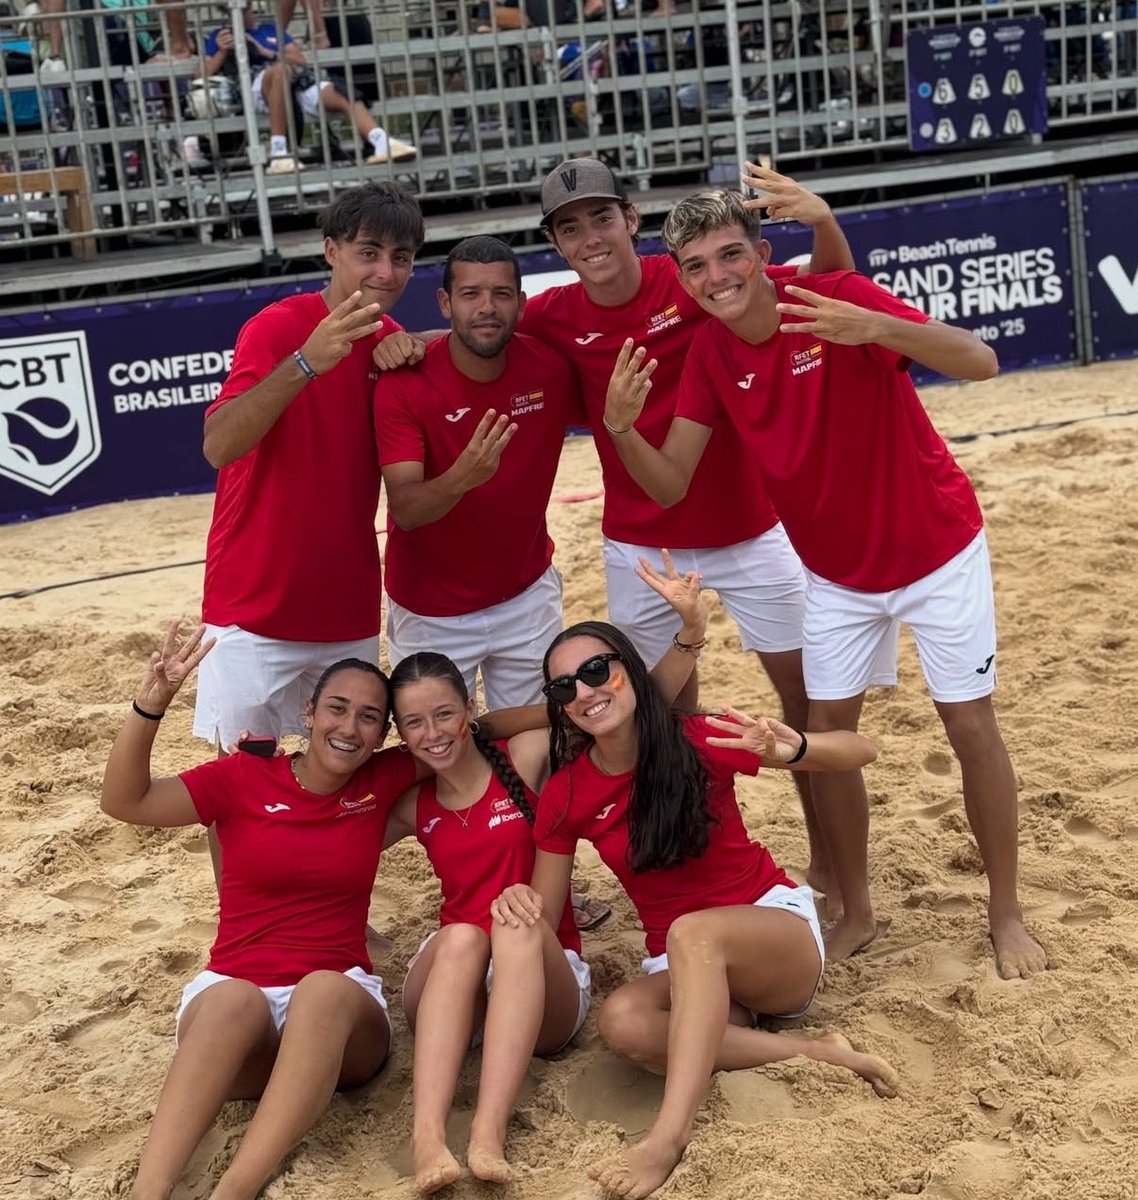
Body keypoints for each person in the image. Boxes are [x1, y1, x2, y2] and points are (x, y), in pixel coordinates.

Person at [600, 186, 1047, 980]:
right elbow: (668, 485)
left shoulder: (832, 300)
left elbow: (981, 362)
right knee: (819, 738)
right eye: (696, 266)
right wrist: (623, 426)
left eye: (731, 254)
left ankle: (1005, 912)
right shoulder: (709, 352)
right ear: (685, 277)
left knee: (969, 727)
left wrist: (875, 326)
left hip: (938, 550)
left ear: (762, 255)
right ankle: (857, 909)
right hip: (837, 575)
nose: (716, 276)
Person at [516, 156, 855, 901]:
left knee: (801, 706)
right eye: (570, 227)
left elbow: (819, 288)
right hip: (640, 542)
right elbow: (471, 334)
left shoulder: (695, 278)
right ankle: (705, 864)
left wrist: (825, 221)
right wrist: (392, 342)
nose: (590, 236)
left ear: (630, 221)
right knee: (666, 716)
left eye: (602, 217)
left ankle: (830, 863)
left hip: (750, 527)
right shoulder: (552, 317)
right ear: (557, 244)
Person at [492, 620, 897, 1200]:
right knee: (623, 1021)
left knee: (691, 934)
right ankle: (810, 1051)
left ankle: (667, 1137)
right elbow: (549, 912)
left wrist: (791, 746)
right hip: (683, 960)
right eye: (563, 689)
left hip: (771, 933)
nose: (584, 692)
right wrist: (516, 899)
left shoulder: (697, 737)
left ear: (629, 670)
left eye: (595, 671)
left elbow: (862, 750)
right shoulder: (568, 791)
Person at [382, 554, 708, 1195]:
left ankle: (488, 1134)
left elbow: (620, 710)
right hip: (455, 984)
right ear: (398, 733)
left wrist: (689, 636)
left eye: (445, 714)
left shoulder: (524, 756)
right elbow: (323, 840)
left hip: (544, 973)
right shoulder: (407, 799)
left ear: (469, 708)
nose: (434, 733)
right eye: (414, 723)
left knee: (516, 923)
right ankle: (427, 1138)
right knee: (463, 935)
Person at [100, 624, 428, 1200]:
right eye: (337, 708)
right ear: (309, 711)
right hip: (238, 1017)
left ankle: (237, 1189)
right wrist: (149, 708)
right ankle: (146, 1192)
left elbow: (474, 736)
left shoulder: (382, 780)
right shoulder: (242, 777)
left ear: (383, 735)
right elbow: (126, 801)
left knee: (322, 989)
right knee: (231, 997)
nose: (349, 727)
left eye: (369, 717)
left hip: (339, 1023)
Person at [374, 235, 583, 711]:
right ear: (446, 303)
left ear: (521, 304)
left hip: (527, 595)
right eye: (470, 294)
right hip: (431, 611)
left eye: (501, 294)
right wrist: (463, 476)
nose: (487, 307)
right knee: (437, 752)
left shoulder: (548, 370)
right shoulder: (406, 382)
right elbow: (405, 510)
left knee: (538, 741)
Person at [199, 9, 415, 174]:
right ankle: (278, 152)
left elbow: (299, 59)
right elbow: (201, 74)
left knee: (339, 90)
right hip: (255, 87)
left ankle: (380, 141)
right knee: (279, 72)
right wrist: (220, 51)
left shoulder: (271, 30)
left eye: (245, 6)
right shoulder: (219, 35)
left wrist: (266, 52)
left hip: (296, 81)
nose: (241, 11)